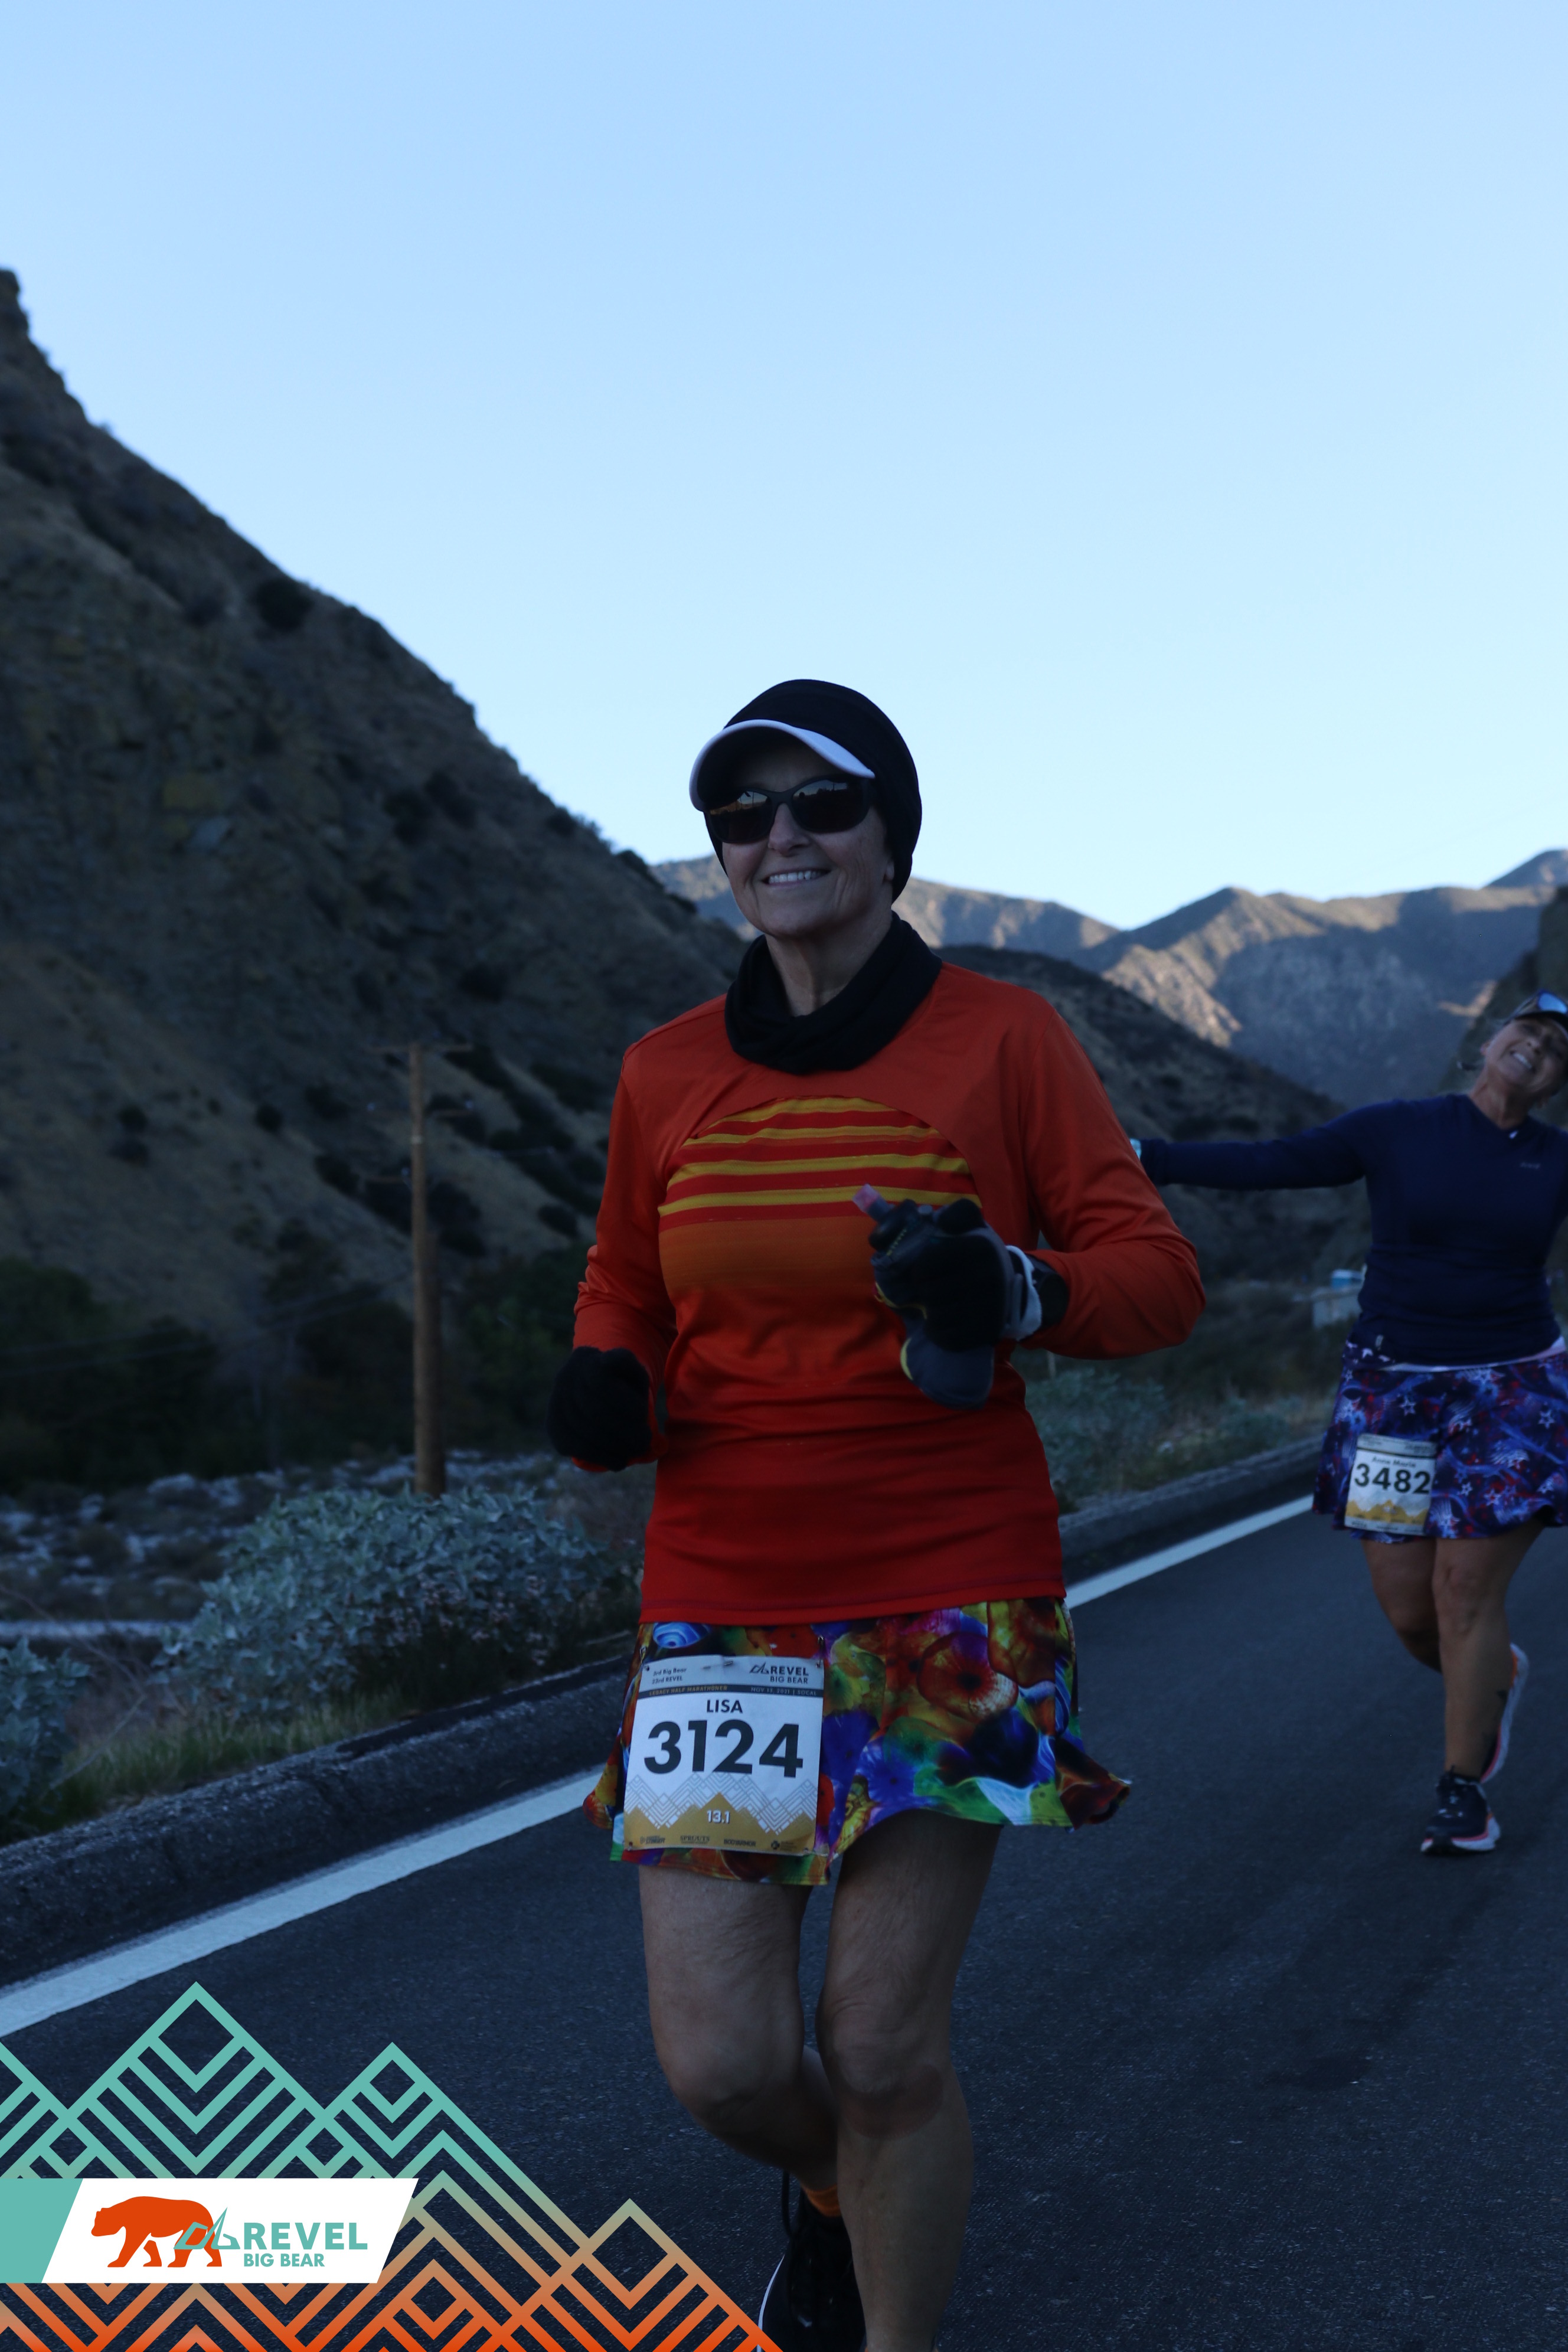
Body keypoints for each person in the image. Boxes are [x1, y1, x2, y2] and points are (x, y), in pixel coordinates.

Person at [547, 678, 1203, 2352]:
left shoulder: (1006, 1041)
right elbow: (624, 1278)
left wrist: (1011, 1287)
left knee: (884, 2047)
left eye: (820, 804)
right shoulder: (665, 1071)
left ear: (889, 835)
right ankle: (836, 2189)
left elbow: (1153, 1275)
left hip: (947, 1587)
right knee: (725, 2063)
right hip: (724, 1606)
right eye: (742, 814)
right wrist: (607, 1372)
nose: (780, 838)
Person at [1134, 992, 1568, 1858]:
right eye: (1528, 1031)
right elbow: (1275, 1162)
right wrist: (1149, 1157)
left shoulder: (1557, 1159)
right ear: (1492, 1039)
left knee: (1464, 1593)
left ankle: (1462, 1792)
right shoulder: (1398, 1127)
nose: (1537, 1048)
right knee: (1411, 1611)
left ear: (1558, 1084)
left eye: (1557, 1050)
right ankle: (1494, 1674)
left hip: (1513, 1395)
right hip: (1391, 1397)